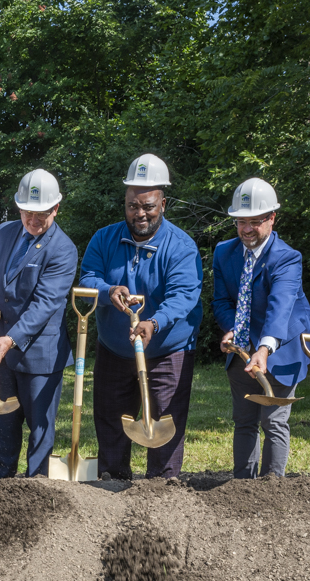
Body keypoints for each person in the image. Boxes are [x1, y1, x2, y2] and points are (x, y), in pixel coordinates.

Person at [78, 154, 203, 480]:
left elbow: (183, 297)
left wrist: (154, 322)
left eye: (148, 205)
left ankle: (162, 487)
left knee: (165, 420)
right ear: (125, 201)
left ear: (163, 202)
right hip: (115, 348)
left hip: (166, 351)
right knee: (110, 419)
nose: (140, 213)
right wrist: (108, 291)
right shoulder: (104, 239)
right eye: (133, 205)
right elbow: (88, 278)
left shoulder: (181, 247)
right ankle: (113, 482)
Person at [212, 177, 310, 478]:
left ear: (272, 218)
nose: (246, 230)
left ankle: (273, 488)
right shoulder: (224, 253)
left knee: (274, 421)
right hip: (242, 351)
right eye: (240, 222)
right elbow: (222, 301)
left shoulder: (286, 259)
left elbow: (279, 307)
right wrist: (232, 329)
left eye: (255, 222)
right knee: (244, 421)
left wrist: (265, 347)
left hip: (282, 350)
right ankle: (242, 485)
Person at [0, 169, 78, 479]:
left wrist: (11, 339)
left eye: (42, 214)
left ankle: (37, 493)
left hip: (41, 355)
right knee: (3, 424)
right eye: (27, 212)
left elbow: (45, 304)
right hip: (4, 352)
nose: (34, 220)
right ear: (18, 207)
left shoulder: (63, 249)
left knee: (39, 431)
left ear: (56, 209)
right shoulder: (4, 233)